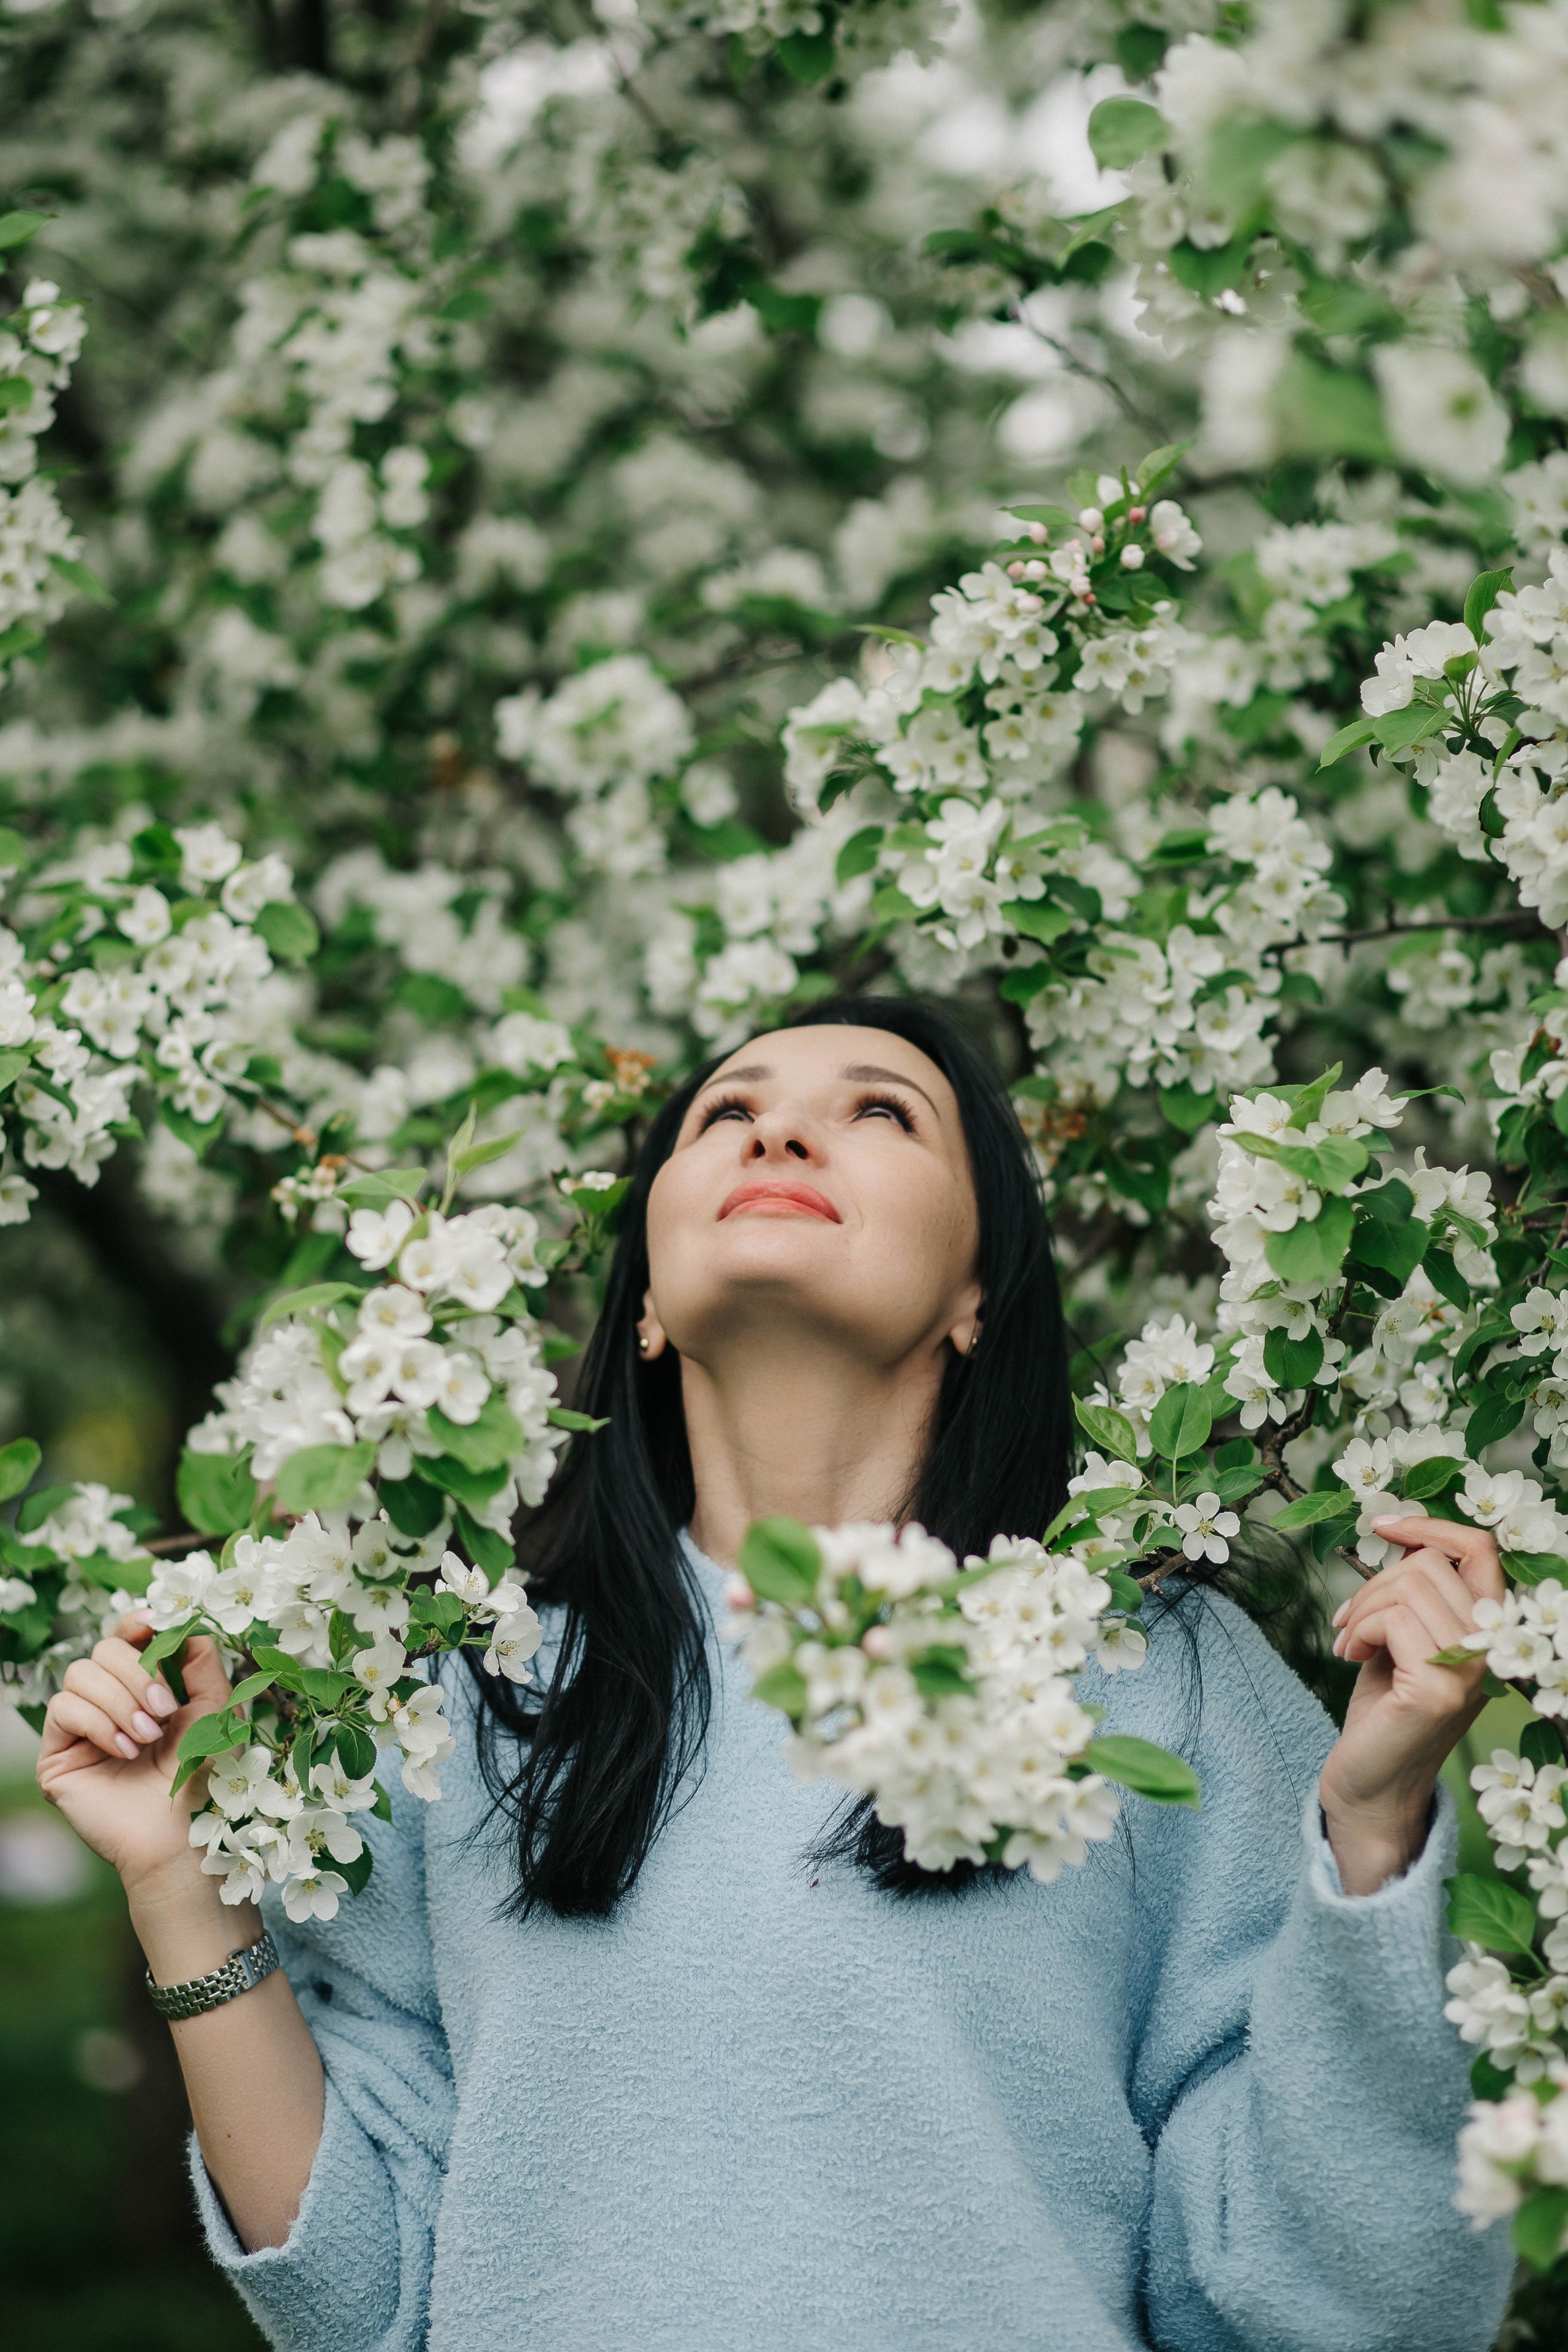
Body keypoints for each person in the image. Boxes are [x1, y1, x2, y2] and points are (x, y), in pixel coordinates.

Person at [37, 999, 1515, 2351]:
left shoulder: (1144, 1670)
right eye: (724, 1112)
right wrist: (180, 1882)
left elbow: (1346, 2303)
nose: (780, 1129)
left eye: (880, 1112)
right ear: (650, 1308)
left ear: (974, 1295)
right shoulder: (464, 1682)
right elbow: (362, 2298)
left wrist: (1374, 1837)